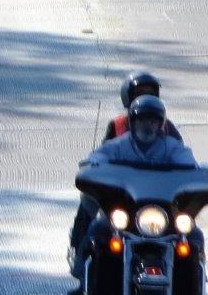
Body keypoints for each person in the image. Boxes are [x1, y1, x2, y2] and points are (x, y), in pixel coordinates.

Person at [68, 96, 199, 294]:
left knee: (194, 237)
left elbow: (190, 164)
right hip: (127, 213)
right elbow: (98, 158)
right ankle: (85, 283)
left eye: (153, 120)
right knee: (98, 230)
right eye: (142, 120)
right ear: (133, 122)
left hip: (163, 214)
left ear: (160, 124)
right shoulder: (119, 146)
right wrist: (93, 166)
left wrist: (198, 172)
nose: (147, 125)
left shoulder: (172, 148)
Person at [68, 72, 183, 267]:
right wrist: (94, 167)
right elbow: (103, 153)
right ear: (128, 99)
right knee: (89, 199)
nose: (147, 125)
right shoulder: (118, 127)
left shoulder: (168, 131)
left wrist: (194, 172)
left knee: (189, 232)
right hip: (124, 194)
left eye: (150, 94)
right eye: (139, 94)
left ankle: (191, 271)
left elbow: (183, 157)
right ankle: (79, 250)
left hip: (160, 195)